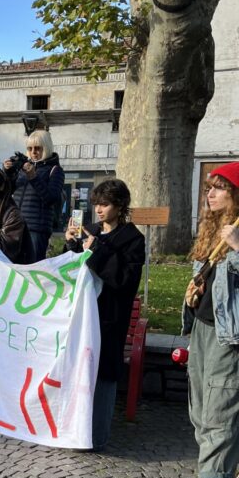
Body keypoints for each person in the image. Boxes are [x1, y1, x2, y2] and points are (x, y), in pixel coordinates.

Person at [65, 178, 144, 451]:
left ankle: (96, 435)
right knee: (79, 369)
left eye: (105, 204)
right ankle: (74, 429)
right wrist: (72, 246)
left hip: (109, 316)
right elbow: (75, 269)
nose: (98, 210)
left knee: (103, 375)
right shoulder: (93, 231)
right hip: (83, 313)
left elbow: (124, 280)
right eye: (96, 204)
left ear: (120, 205)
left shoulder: (133, 238)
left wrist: (96, 250)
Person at [181, 163, 239, 478]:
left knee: (220, 403)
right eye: (209, 188)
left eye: (220, 188)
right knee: (201, 402)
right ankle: (218, 471)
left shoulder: (234, 231)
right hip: (203, 326)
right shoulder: (212, 229)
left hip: (228, 332)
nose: (210, 194)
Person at [3, 129, 64, 261]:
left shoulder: (55, 170)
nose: (33, 152)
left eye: (37, 148)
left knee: (33, 267)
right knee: (14, 266)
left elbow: (51, 198)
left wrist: (33, 177)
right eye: (30, 148)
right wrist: (8, 173)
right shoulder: (23, 168)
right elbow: (8, 191)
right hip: (16, 225)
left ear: (46, 148)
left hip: (37, 228)